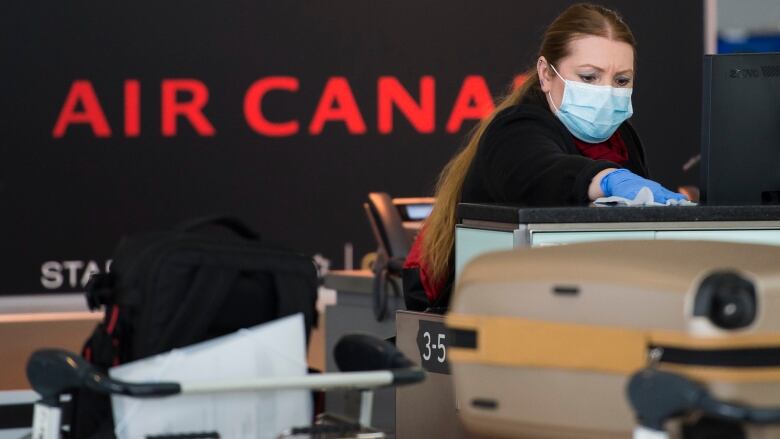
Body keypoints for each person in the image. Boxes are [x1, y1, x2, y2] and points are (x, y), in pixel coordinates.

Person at [403, 3, 687, 310]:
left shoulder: (622, 139)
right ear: (545, 74)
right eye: (589, 77)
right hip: (489, 313)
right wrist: (609, 180)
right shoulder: (515, 129)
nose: (607, 93)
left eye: (621, 81)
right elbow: (542, 171)